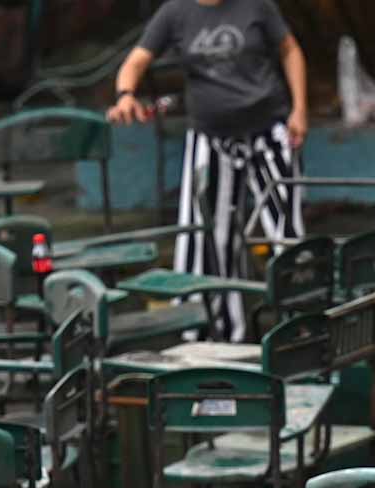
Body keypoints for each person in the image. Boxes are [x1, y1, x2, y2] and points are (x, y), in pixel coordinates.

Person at [107, 0, 308, 339]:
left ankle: (300, 331)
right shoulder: (176, 12)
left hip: (267, 129)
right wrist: (126, 95)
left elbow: (290, 50)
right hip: (211, 136)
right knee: (209, 240)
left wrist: (300, 109)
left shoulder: (256, 5)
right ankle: (218, 336)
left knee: (287, 235)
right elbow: (137, 60)